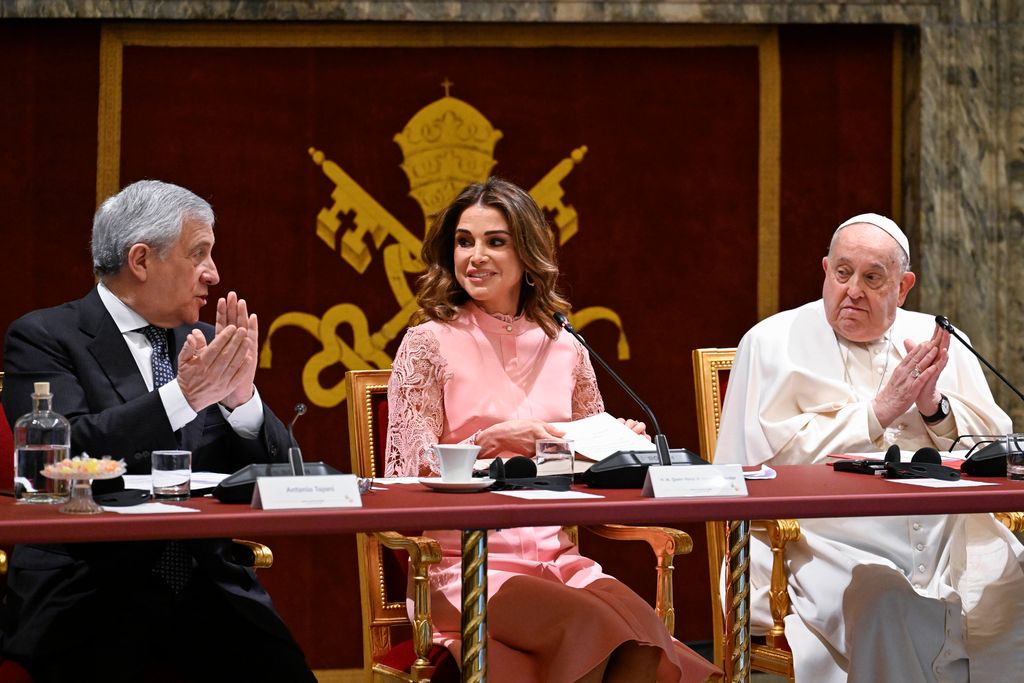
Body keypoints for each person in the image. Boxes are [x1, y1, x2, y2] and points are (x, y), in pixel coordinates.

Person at [385, 177, 718, 683]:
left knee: (646, 638)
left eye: (495, 241)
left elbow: (580, 471)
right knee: (592, 625)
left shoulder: (566, 346)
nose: (475, 256)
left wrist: (614, 444)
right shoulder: (427, 342)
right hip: (466, 567)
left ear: (528, 254)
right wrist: (489, 442)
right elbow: (404, 474)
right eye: (463, 240)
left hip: (557, 559)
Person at [1, 180, 316, 682]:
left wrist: (241, 400)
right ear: (141, 260)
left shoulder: (207, 344)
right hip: (92, 591)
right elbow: (64, 455)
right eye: (200, 254)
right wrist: (183, 397)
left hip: (211, 588)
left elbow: (286, 472)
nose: (214, 274)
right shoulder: (44, 337)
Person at [715, 213, 1024, 682]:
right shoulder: (770, 343)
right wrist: (876, 413)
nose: (853, 289)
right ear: (825, 271)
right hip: (827, 545)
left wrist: (933, 408)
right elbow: (758, 467)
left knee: (1010, 592)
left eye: (873, 277)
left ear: (903, 288)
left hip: (947, 545)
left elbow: (994, 445)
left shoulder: (938, 340)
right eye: (842, 273)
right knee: (883, 600)